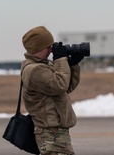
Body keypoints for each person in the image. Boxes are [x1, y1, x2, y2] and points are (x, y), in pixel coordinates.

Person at [20, 26, 84, 155]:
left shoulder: (43, 65)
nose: (51, 50)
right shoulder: (34, 70)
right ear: (38, 47)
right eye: (48, 46)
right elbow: (59, 85)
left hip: (55, 131)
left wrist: (72, 66)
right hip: (50, 132)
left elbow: (66, 88)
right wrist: (60, 60)